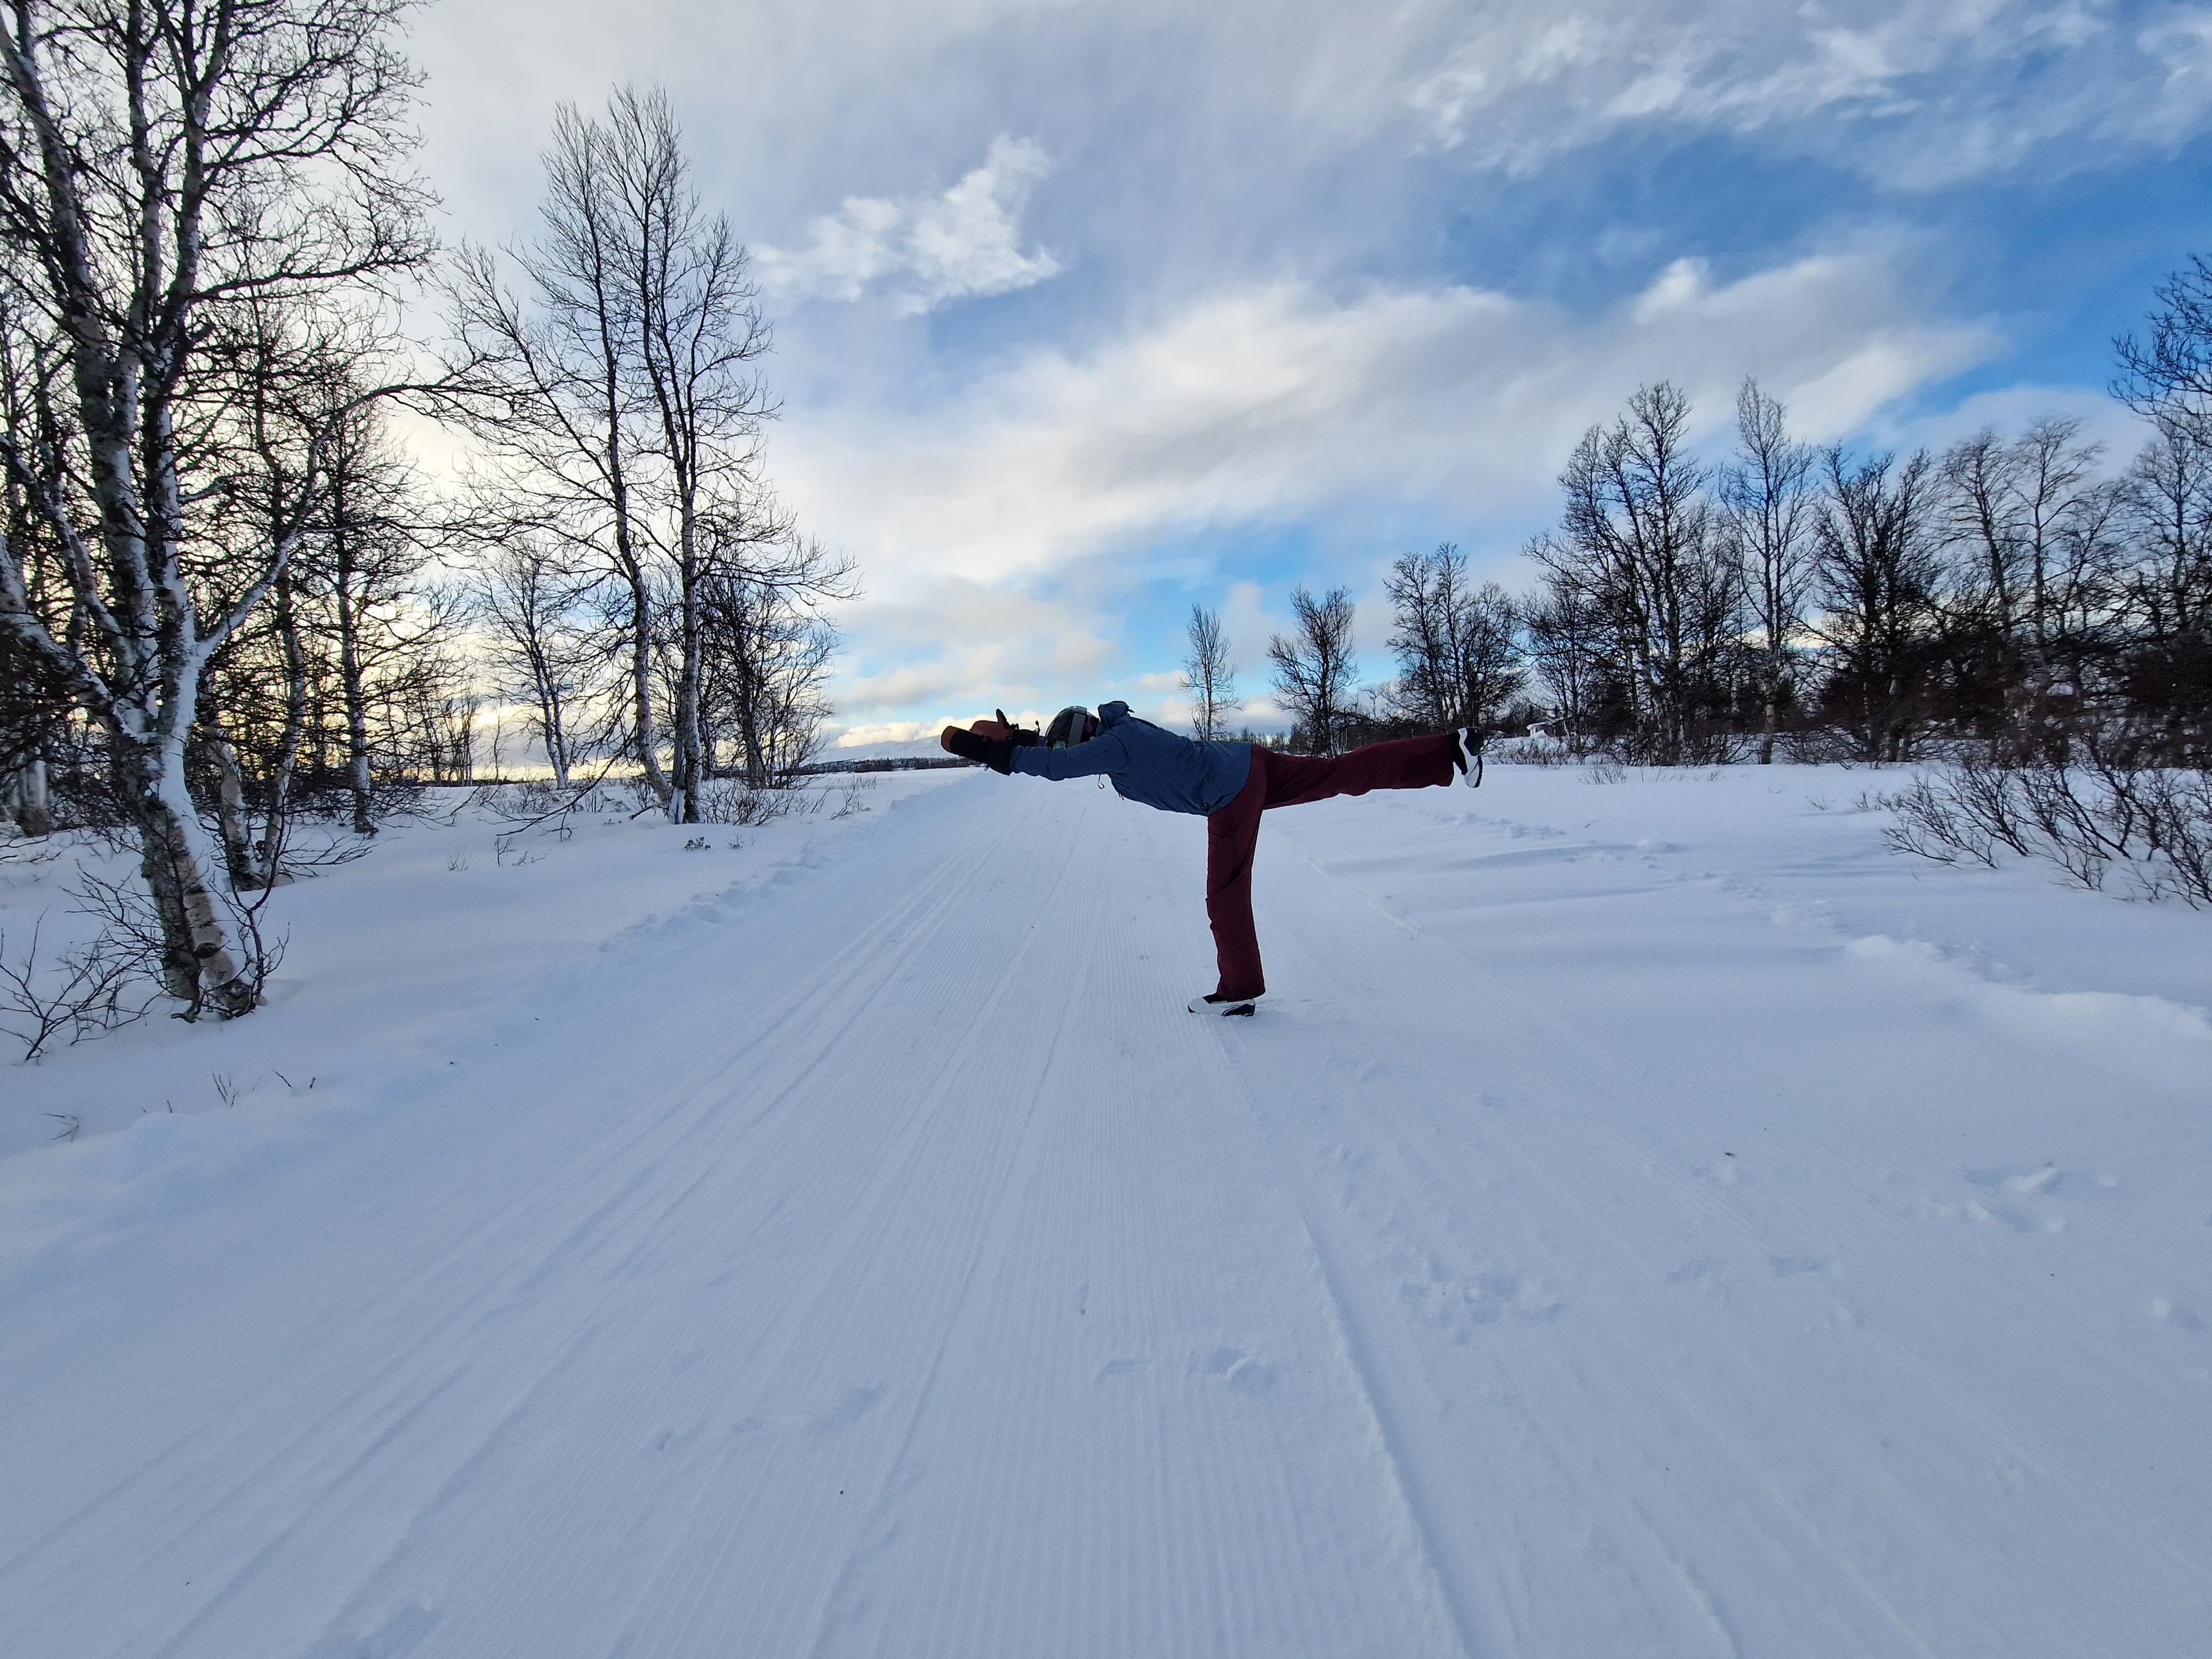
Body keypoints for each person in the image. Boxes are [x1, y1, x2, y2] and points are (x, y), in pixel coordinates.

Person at [943, 702, 1482, 1016]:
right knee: (1341, 771)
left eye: (1071, 748)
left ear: (1084, 740)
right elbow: (1062, 753)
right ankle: (1448, 749)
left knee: (1225, 897)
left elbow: (1058, 768)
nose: (1074, 759)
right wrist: (1028, 740)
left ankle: (1239, 991)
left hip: (1229, 794)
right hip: (1250, 763)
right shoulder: (1120, 731)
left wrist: (995, 752)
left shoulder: (1113, 746)